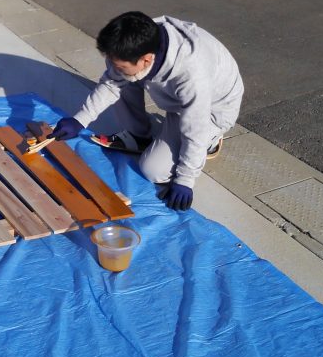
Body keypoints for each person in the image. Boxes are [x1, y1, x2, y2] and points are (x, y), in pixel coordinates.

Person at [48, 11, 243, 211]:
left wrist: (185, 179)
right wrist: (80, 119)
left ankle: (212, 139)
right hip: (178, 99)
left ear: (147, 60)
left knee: (154, 170)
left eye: (121, 66)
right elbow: (112, 83)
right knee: (122, 73)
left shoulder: (192, 75)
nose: (116, 69)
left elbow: (195, 128)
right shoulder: (142, 43)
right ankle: (139, 136)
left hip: (211, 111)